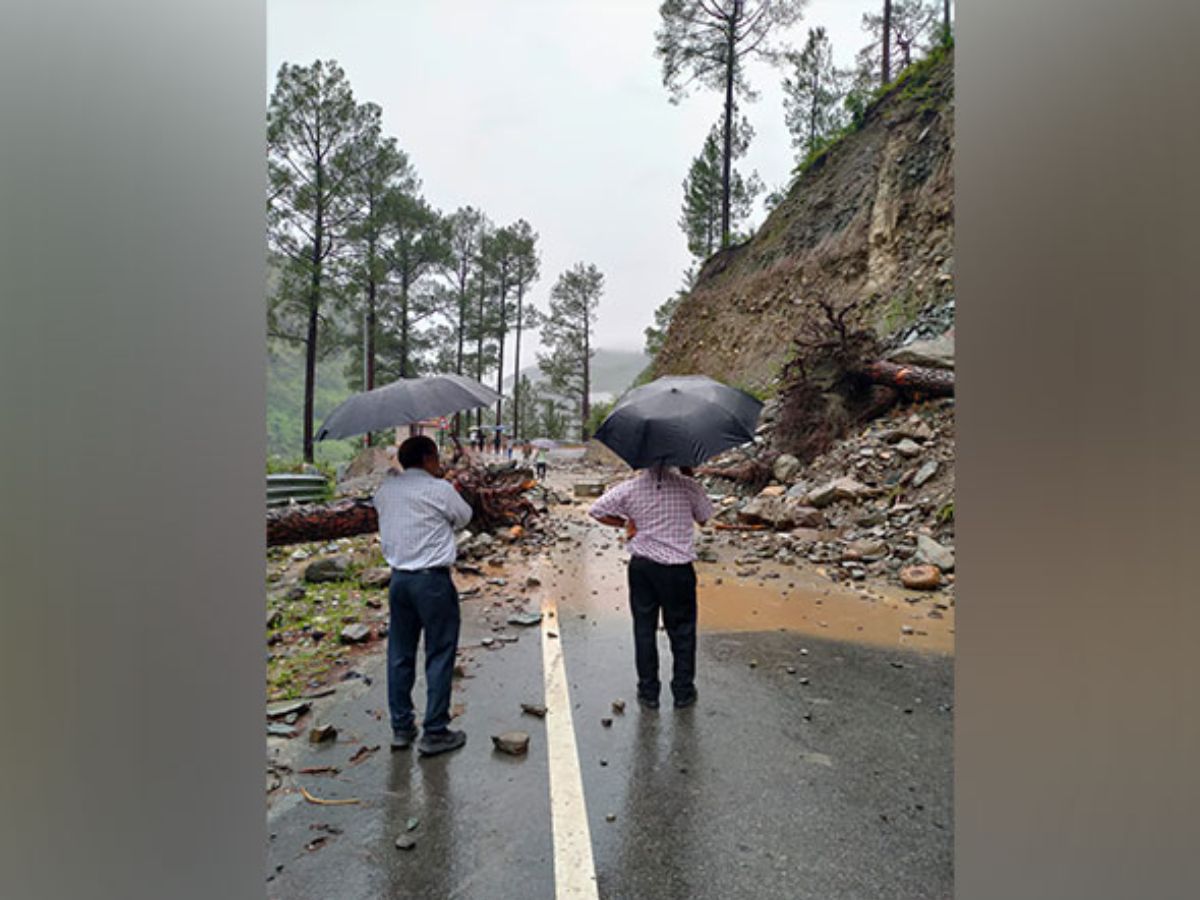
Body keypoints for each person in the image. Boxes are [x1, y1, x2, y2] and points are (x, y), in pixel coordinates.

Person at [372, 435, 474, 756]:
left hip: (399, 581)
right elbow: (465, 517)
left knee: (400, 653)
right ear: (428, 458)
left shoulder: (386, 490)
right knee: (440, 653)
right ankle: (435, 731)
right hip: (433, 582)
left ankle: (402, 729)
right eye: (436, 458)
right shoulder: (439, 489)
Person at [588, 465, 713, 709]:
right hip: (678, 570)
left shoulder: (630, 488)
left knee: (644, 629)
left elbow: (596, 510)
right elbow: (705, 518)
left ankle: (648, 693)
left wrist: (626, 523)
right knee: (683, 631)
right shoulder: (688, 486)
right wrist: (689, 475)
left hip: (643, 568)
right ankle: (683, 692)